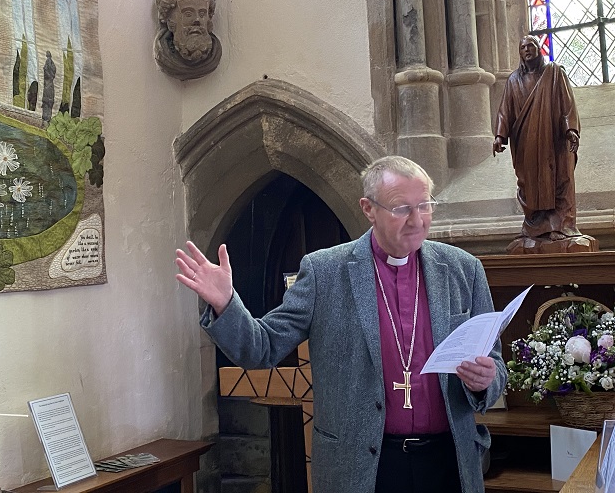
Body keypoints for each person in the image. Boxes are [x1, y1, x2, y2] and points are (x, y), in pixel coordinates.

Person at [176, 155, 506, 493]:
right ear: (368, 208)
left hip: (448, 459)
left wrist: (485, 380)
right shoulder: (325, 272)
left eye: (424, 205)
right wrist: (225, 303)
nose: (417, 220)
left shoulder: (463, 270)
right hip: (362, 465)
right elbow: (262, 347)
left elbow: (495, 364)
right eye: (401, 208)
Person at [493, 35, 581, 241]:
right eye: (522, 47)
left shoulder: (554, 72)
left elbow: (567, 104)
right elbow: (504, 111)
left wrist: (571, 130)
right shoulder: (514, 79)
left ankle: (562, 226)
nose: (526, 50)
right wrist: (499, 136)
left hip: (554, 140)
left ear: (539, 47)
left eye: (530, 45)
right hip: (526, 143)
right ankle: (536, 227)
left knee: (560, 179)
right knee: (530, 184)